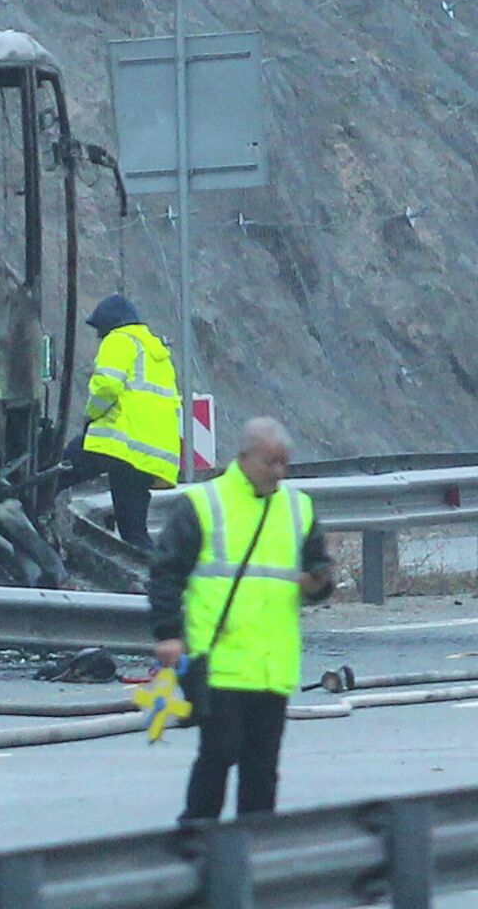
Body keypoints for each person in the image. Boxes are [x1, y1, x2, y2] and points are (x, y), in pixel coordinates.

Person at [149, 416, 334, 824]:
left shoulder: (297, 508)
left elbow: (320, 571)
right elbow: (165, 572)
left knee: (262, 766)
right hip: (219, 661)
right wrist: (168, 633)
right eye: (270, 462)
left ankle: (256, 851)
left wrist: (317, 584)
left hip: (272, 665)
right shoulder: (203, 504)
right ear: (244, 457)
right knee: (219, 752)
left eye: (284, 463)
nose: (278, 472)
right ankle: (198, 837)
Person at [58, 294, 181, 557]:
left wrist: (91, 415)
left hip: (117, 442)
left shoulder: (119, 340)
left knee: (54, 473)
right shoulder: (156, 353)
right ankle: (159, 573)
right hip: (146, 455)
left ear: (109, 325)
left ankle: (29, 521)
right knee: (134, 533)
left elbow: (106, 386)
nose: (99, 338)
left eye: (100, 331)